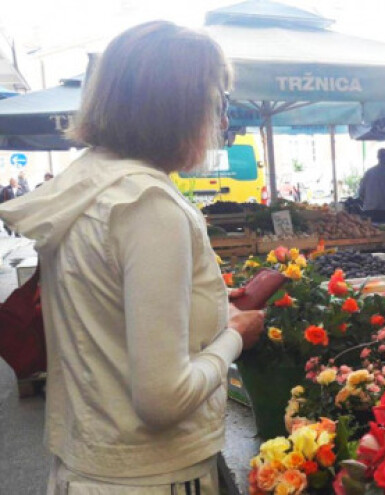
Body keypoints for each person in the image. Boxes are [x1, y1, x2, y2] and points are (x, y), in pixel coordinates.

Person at [0, 21, 265, 494]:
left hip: (90, 463)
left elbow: (109, 317)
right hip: (152, 475)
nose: (221, 119)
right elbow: (162, 399)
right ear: (179, 105)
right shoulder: (148, 205)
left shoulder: (87, 184)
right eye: (217, 99)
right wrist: (234, 336)